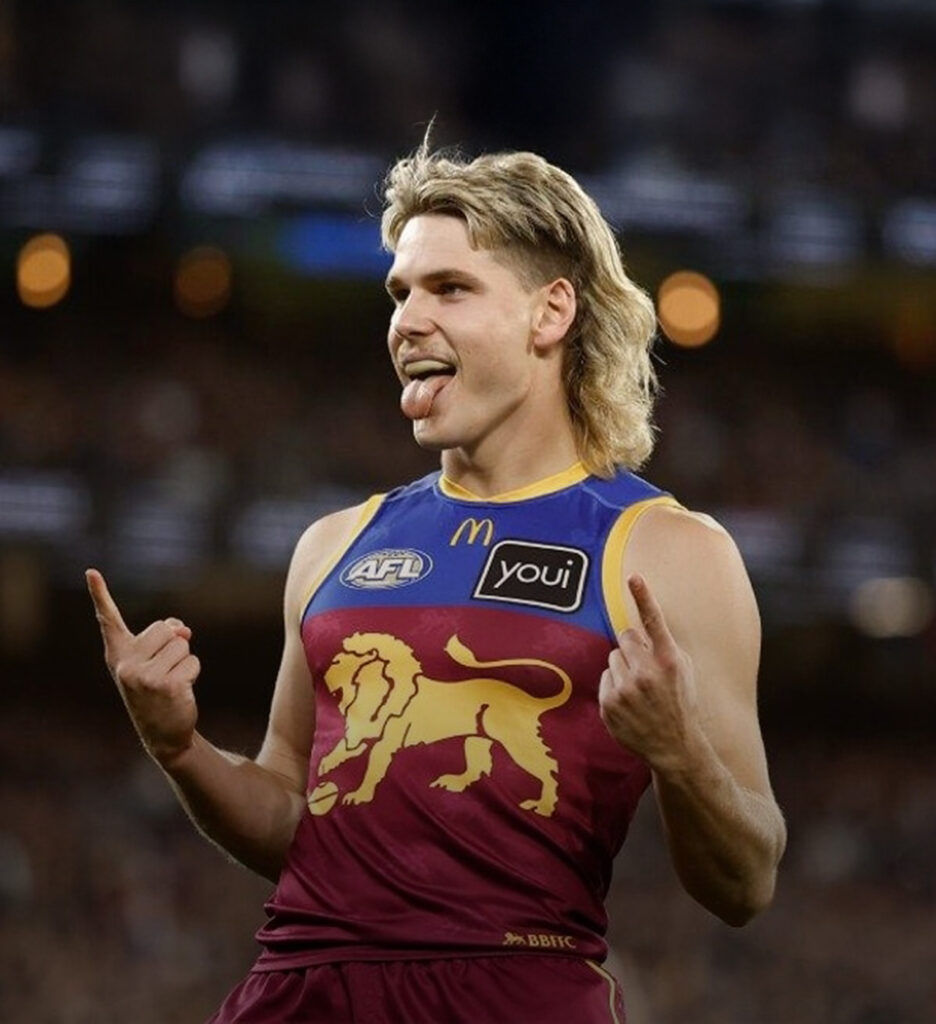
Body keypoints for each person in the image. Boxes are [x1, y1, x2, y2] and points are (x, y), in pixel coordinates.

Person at [87, 138, 787, 1024]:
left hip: (513, 992)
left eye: (449, 289)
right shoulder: (335, 545)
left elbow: (746, 882)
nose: (407, 321)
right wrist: (180, 748)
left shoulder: (668, 552)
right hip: (298, 992)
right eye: (400, 293)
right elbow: (295, 819)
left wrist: (680, 752)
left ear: (550, 313)